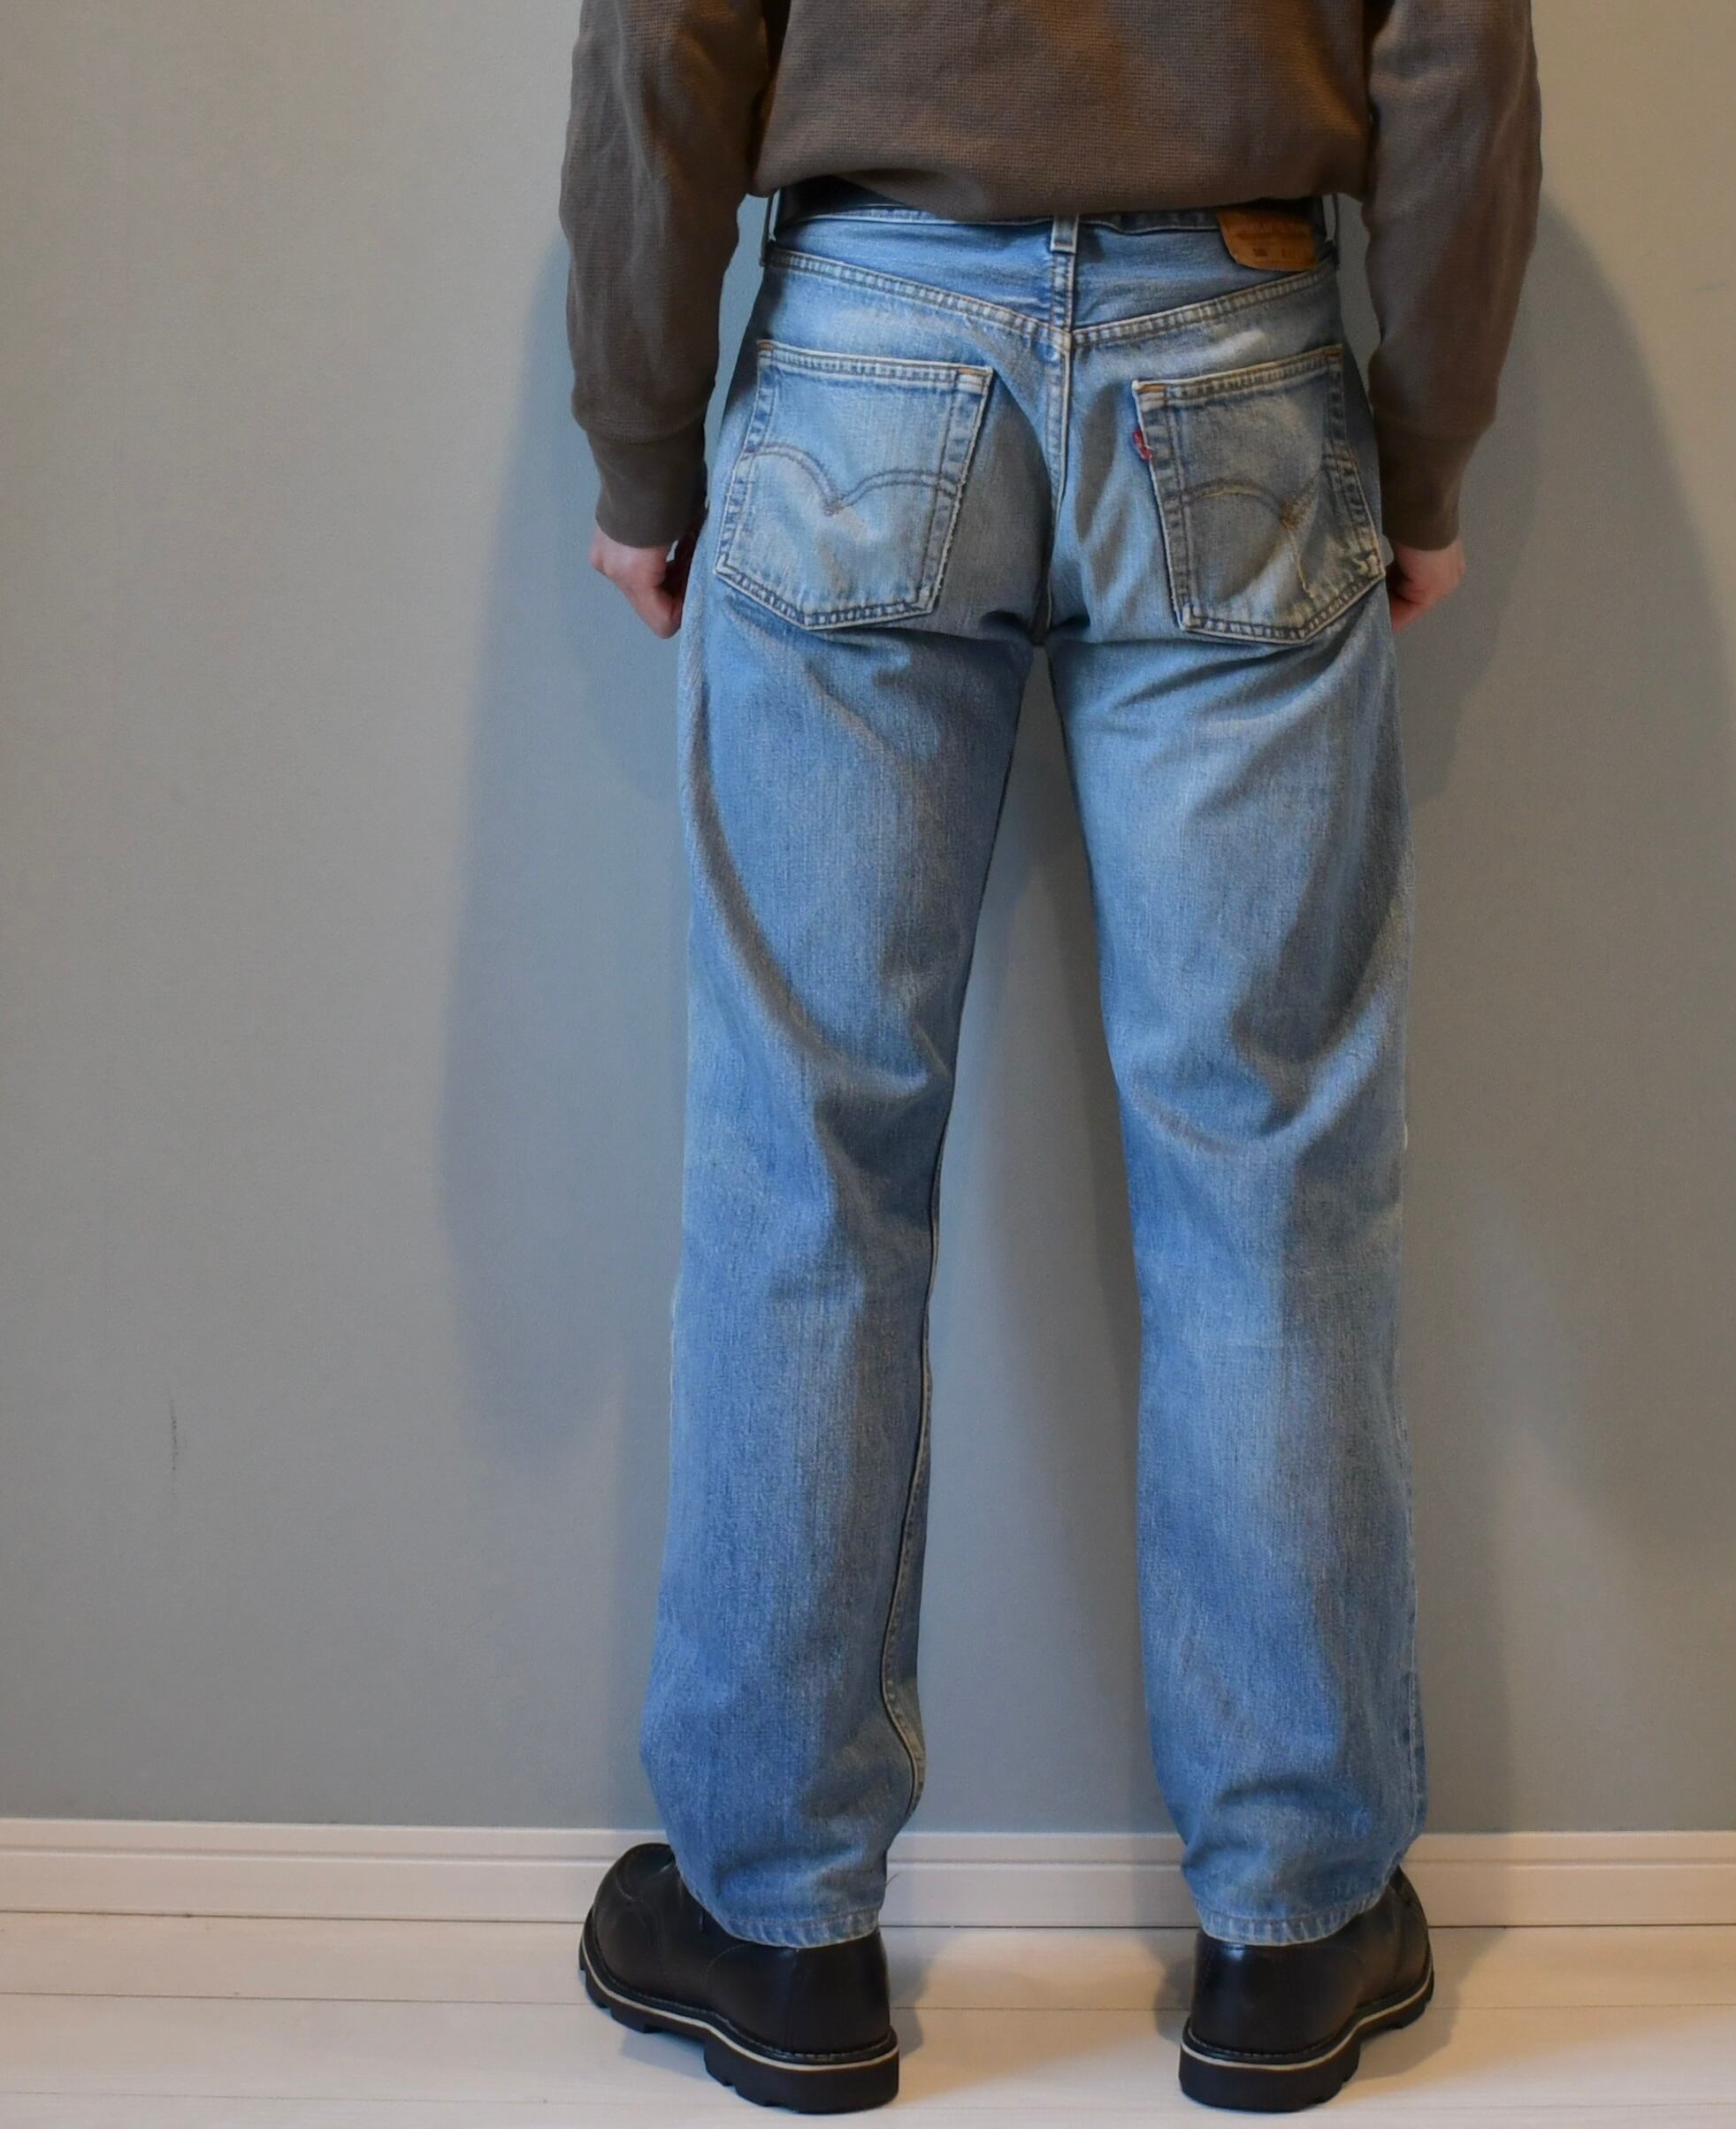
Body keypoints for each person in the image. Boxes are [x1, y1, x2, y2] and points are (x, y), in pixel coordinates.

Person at [558, 0, 1541, 2110]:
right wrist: (1427, 444)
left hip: (864, 344)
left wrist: (639, 445)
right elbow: (1455, 44)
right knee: (1266, 1171)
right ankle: (1294, 1928)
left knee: (805, 1168)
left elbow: (663, 32)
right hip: (1239, 343)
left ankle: (775, 1932)